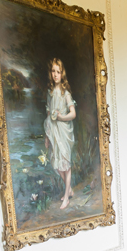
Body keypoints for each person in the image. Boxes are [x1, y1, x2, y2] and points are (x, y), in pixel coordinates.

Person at [43, 58, 77, 209]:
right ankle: (69, 190)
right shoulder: (50, 92)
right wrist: (47, 136)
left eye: (58, 71)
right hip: (53, 132)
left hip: (63, 131)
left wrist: (61, 117)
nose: (55, 74)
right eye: (53, 71)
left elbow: (73, 114)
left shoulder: (65, 93)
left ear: (62, 74)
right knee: (57, 163)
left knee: (66, 164)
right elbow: (48, 114)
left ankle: (66, 198)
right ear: (50, 73)